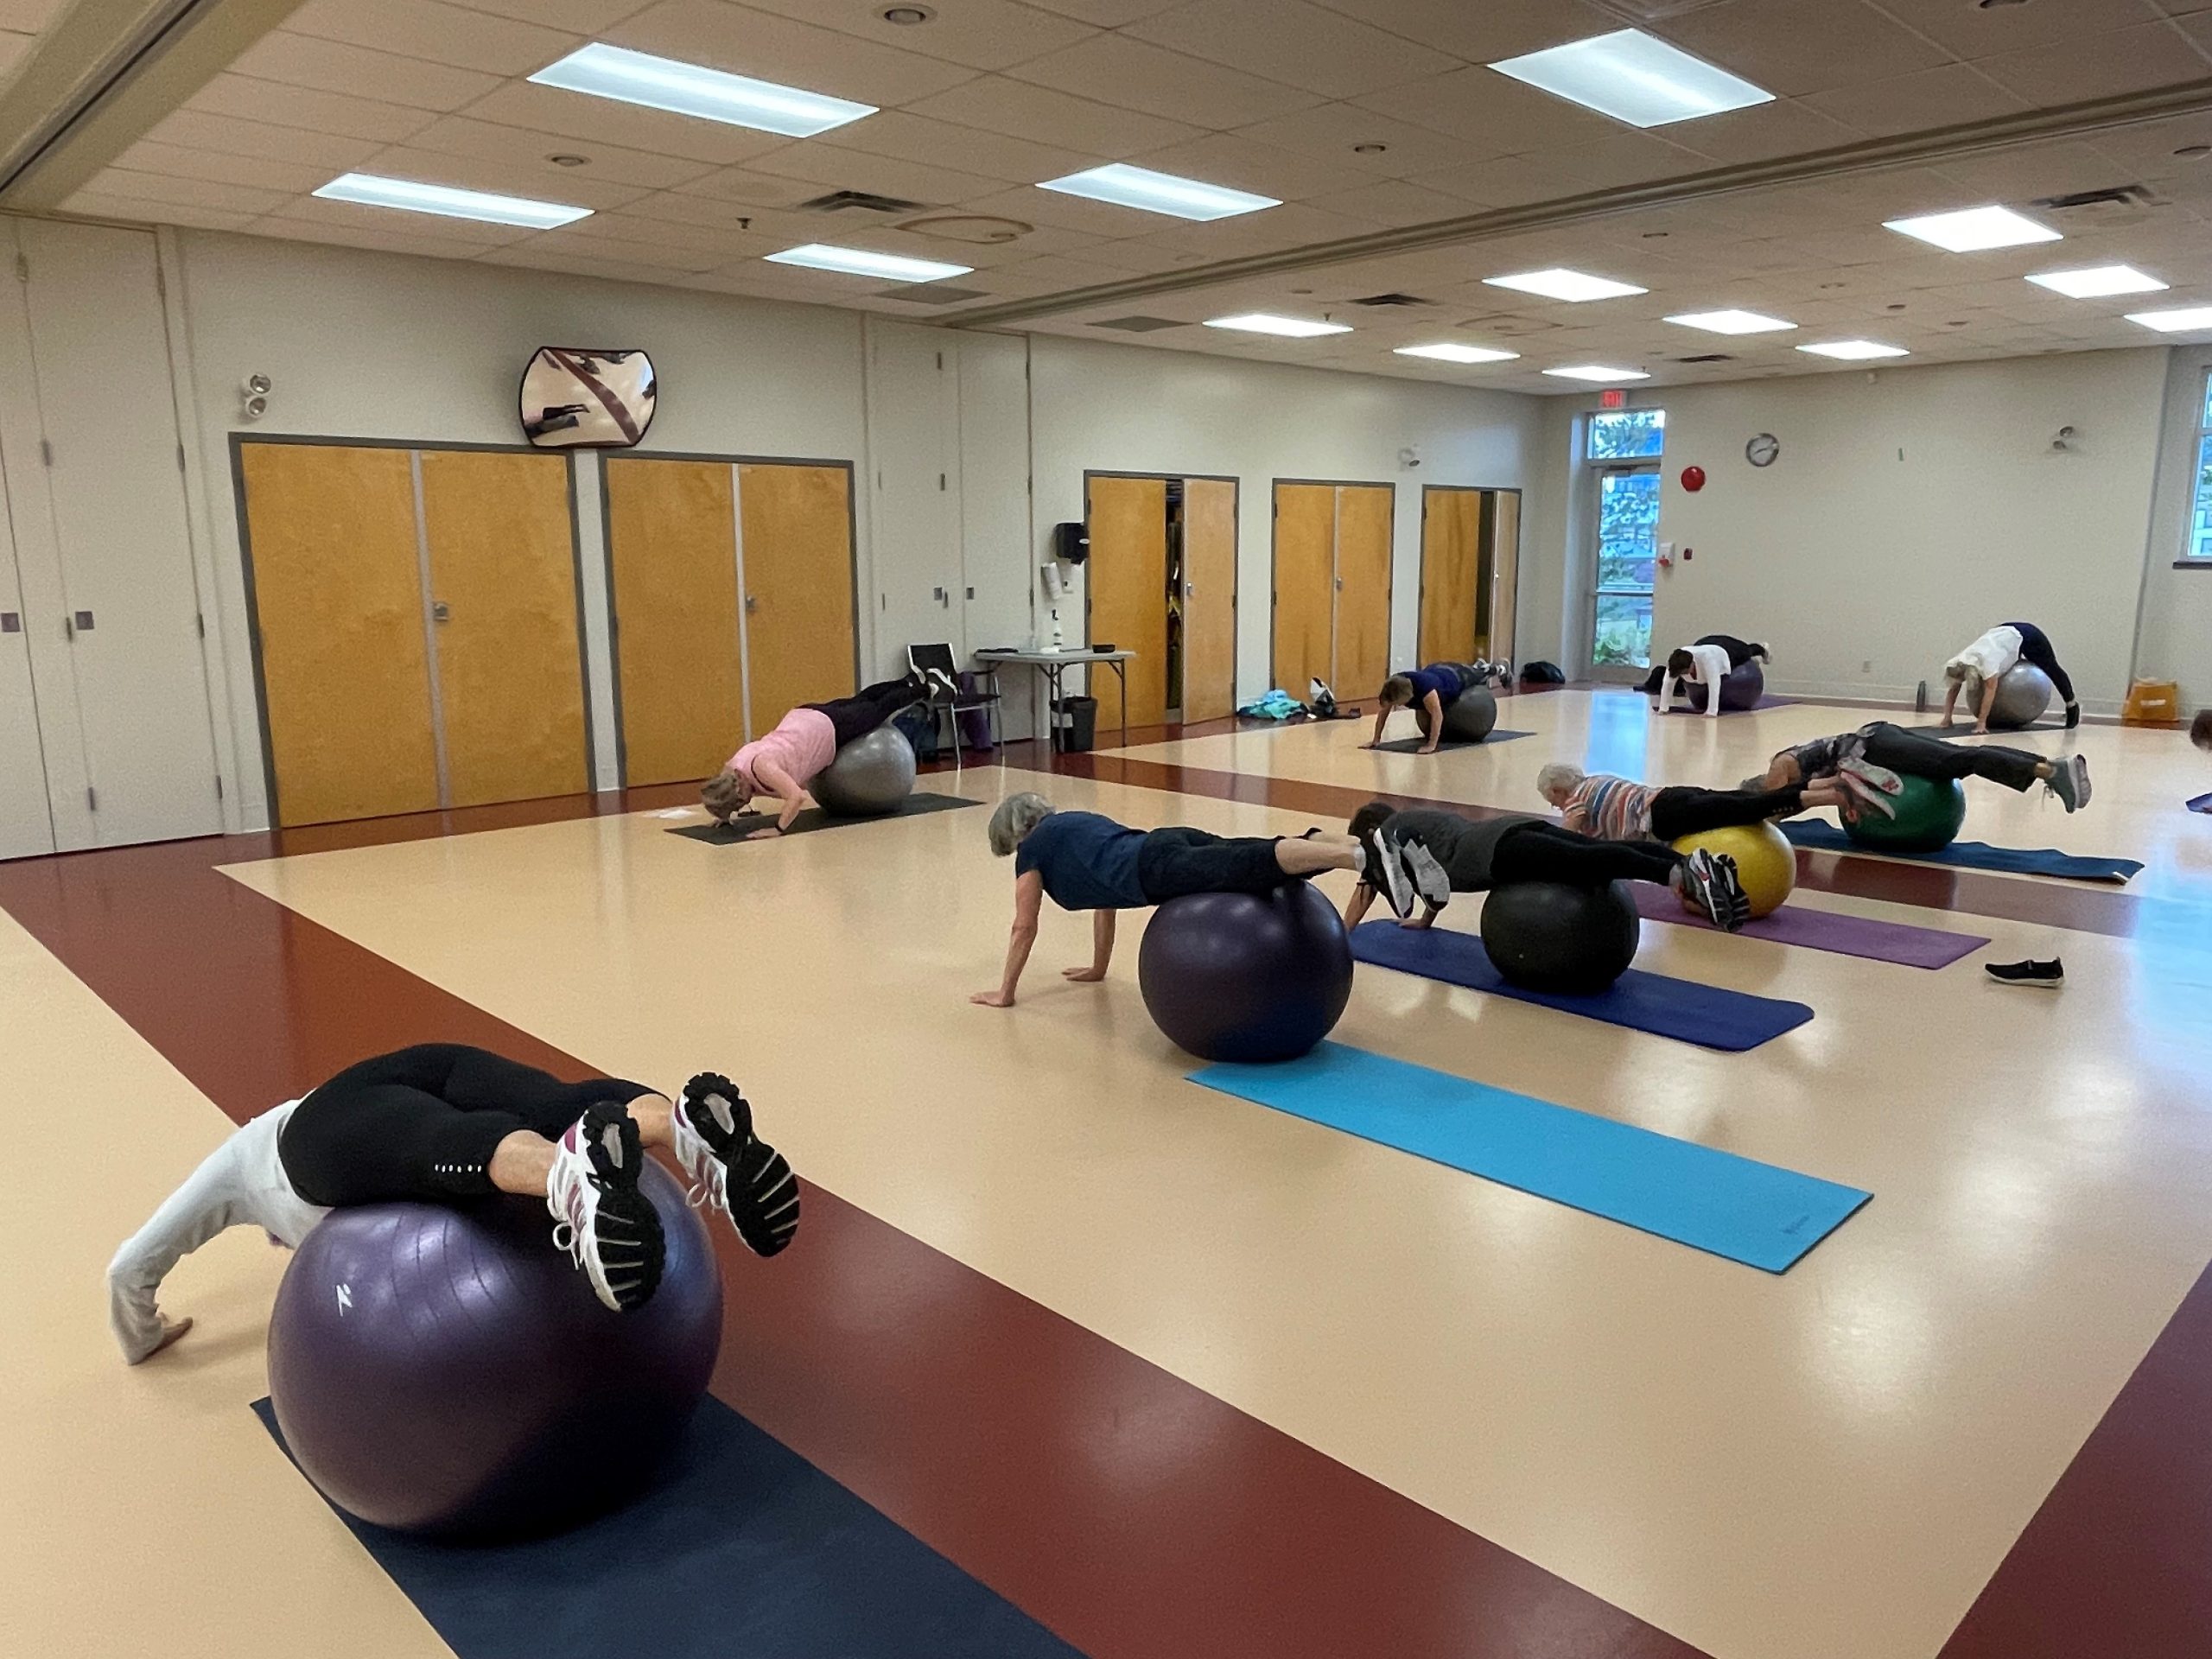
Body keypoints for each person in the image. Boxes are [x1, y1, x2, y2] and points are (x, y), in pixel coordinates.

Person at [107, 1045, 798, 1363]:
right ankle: (684, 1126)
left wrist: (146, 1336)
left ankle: (570, 1182)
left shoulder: (244, 1165)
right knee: (563, 1102)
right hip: (420, 1062)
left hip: (314, 1137)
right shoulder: (319, 1117)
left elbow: (128, 1269)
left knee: (437, 1146)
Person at [971, 793, 1443, 1007]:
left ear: (1017, 835)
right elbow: (1104, 896)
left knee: (1257, 862)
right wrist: (1098, 967)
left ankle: (1360, 855)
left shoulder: (1033, 850)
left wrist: (1006, 992)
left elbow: (1023, 925)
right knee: (1252, 851)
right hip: (1167, 841)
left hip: (1158, 870)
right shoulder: (1075, 822)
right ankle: (1366, 843)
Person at [1342, 801, 1749, 932]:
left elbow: (1365, 890)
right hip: (1509, 832)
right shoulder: (1415, 826)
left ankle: (1680, 875)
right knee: (1593, 852)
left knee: (1590, 862)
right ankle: (1689, 864)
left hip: (1494, 854)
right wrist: (1426, 921)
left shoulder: (1388, 837)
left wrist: (1341, 935)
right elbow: (1433, 879)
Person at [702, 669, 938, 836]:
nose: (743, 804)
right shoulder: (732, 767)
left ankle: (927, 689)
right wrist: (724, 816)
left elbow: (796, 797)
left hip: (824, 731)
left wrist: (777, 829)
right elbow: (725, 790)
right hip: (801, 717)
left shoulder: (762, 768)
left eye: (739, 803)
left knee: (878, 709)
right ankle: (906, 681)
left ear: (737, 788)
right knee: (861, 700)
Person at [1750, 719, 2089, 817]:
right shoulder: (1804, 778)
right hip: (1878, 742)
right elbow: (1807, 799)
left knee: (1960, 760)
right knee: (1959, 758)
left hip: (1876, 748)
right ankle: (2049, 769)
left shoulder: (1781, 765)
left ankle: (2052, 771)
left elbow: (1774, 808)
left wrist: (1754, 813)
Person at [1536, 761, 1845, 844]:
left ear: (1560, 790)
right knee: (1744, 799)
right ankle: (1824, 783)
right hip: (1672, 794)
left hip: (1665, 815)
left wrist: (1567, 829)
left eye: (1553, 799)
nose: (1556, 807)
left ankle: (1829, 796)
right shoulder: (1598, 779)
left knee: (1750, 807)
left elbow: (1569, 837)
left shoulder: (1577, 800)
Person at [1940, 622, 2079, 731]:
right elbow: (1953, 689)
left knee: (2051, 667)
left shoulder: (1988, 662)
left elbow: (1990, 690)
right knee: (2008, 655)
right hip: (2002, 632)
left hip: (2028, 635)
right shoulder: (1962, 660)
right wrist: (1947, 718)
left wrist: (1981, 723)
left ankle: (2072, 705)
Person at [1366, 661, 1483, 754]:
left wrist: (1431, 745)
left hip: (1452, 678)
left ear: (1406, 696)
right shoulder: (1393, 686)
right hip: (1433, 670)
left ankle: (1490, 669)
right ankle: (1476, 667)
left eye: (1398, 703)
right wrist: (1376, 739)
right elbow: (1383, 713)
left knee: (1477, 676)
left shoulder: (1427, 691)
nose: (1397, 705)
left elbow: (1437, 715)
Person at [1639, 634, 1769, 713]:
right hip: (1703, 643)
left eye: (1685, 672)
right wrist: (1663, 708)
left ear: (1692, 664)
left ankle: (1762, 649)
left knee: (1746, 651)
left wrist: (1711, 711)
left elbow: (1714, 683)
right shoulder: (1675, 661)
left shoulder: (1708, 660)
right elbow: (1667, 685)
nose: (1683, 675)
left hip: (1724, 651)